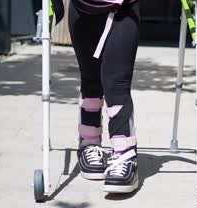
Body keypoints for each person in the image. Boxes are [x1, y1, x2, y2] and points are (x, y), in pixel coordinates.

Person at [53, 0, 140, 193]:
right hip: (83, 10)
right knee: (90, 79)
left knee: (117, 82)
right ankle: (89, 143)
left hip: (123, 11)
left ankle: (125, 154)